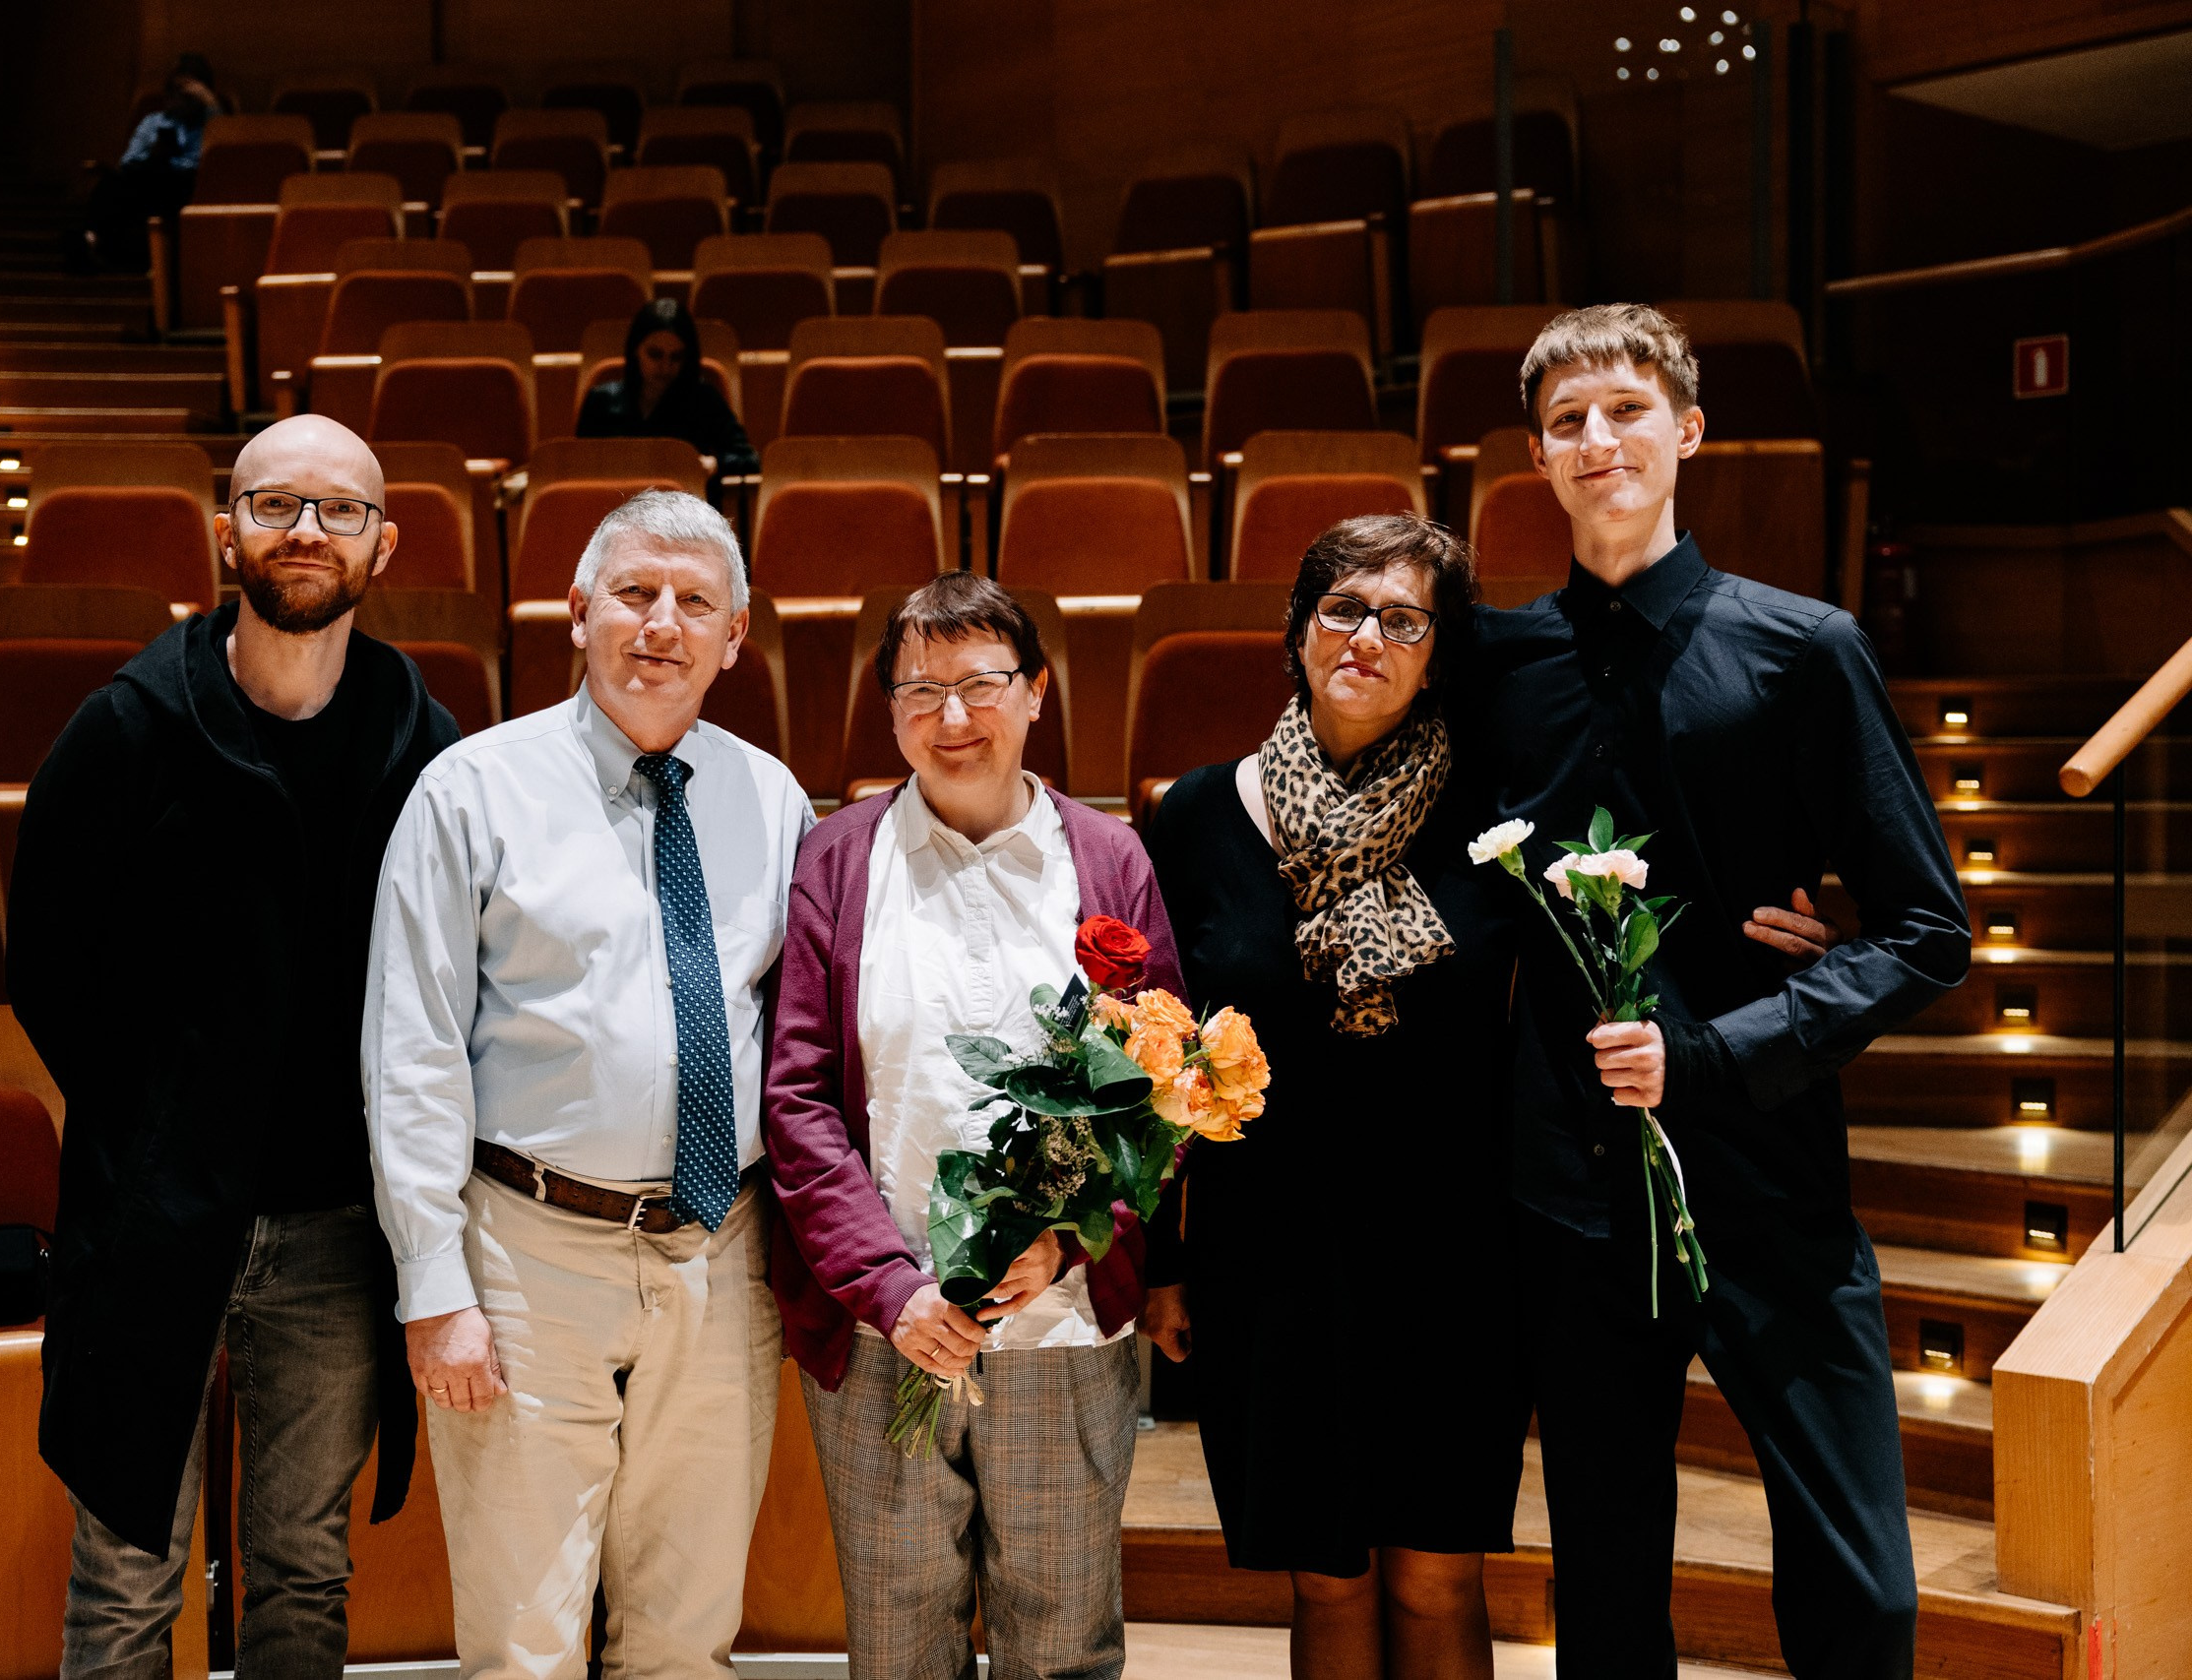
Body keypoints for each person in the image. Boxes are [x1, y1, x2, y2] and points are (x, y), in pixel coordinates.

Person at [1476, 303, 1969, 1679]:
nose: (1599, 438)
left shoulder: (1805, 651)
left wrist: (1734, 1042)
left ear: (1687, 431)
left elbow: (1929, 926)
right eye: (1568, 421)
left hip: (1768, 1172)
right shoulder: (1498, 667)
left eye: (1628, 408)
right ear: (1538, 457)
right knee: (1608, 1589)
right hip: (1572, 1199)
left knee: (1862, 1594)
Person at [8, 414, 460, 1676]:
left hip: (335, 1230)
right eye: (275, 505)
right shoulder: (124, 728)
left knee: (305, 1578)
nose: (306, 531)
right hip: (148, 1223)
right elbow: (47, 968)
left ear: (384, 544)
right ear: (227, 534)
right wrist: (162, 1136)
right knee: (123, 1582)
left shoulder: (432, 754)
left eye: (339, 511)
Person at [364, 488, 811, 1678]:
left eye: (693, 602)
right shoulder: (472, 790)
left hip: (719, 1250)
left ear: (736, 633)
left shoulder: (770, 800)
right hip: (528, 1252)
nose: (659, 624)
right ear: (576, 613)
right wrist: (433, 1286)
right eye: (633, 593)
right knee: (524, 1643)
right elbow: (409, 1055)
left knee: (686, 1636)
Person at [767, 571, 1183, 1680]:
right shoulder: (839, 858)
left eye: (980, 684)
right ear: (891, 712)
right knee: (898, 1648)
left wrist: (1066, 1240)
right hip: (880, 1330)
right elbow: (798, 1099)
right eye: (919, 692)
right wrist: (891, 1291)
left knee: (1062, 1647)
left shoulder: (1109, 859)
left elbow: (1158, 1097)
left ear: (1037, 692)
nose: (952, 719)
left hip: (1057, 1331)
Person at [1141, 517, 1522, 1680]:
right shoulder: (1195, 817)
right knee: (1328, 1574)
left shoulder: (1498, 817)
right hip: (1271, 1249)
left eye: (1403, 620)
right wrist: (1162, 1259)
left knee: (1437, 1570)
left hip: (1455, 1247)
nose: (1366, 637)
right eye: (1342, 609)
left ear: (1438, 652)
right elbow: (1155, 1058)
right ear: (1298, 632)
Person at [576, 297, 759, 478]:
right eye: (655, 355)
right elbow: (577, 467)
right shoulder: (600, 401)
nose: (665, 367)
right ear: (636, 350)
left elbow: (748, 458)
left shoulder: (703, 399)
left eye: (676, 357)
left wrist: (716, 463)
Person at [84, 54, 220, 271]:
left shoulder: (212, 124)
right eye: (178, 90)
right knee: (111, 184)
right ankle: (90, 242)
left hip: (188, 185)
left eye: (190, 93)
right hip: (149, 179)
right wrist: (156, 155)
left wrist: (210, 104)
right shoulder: (153, 122)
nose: (182, 98)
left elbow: (221, 157)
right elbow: (128, 161)